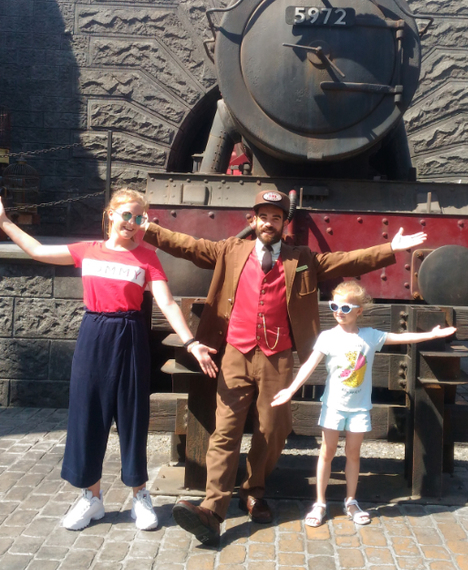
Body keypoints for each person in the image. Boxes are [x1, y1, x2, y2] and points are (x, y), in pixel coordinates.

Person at [142, 189, 428, 546]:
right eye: (263, 216)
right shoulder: (231, 250)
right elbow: (188, 245)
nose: (269, 223)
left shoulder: (301, 258)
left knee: (274, 429)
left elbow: (346, 261)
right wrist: (148, 229)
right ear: (253, 220)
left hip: (276, 357)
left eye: (276, 217)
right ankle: (212, 510)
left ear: (283, 223)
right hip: (234, 353)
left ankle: (253, 492)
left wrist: (390, 249)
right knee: (225, 431)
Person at [0, 188, 217, 532]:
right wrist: (5, 222)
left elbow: (167, 302)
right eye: (126, 215)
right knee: (87, 413)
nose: (132, 223)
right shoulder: (87, 251)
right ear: (111, 214)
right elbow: (38, 251)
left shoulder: (147, 257)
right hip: (94, 333)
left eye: (139, 218)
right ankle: (92, 497)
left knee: (132, 414)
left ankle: (140, 495)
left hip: (130, 334)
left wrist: (191, 342)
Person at [271, 280, 456, 527]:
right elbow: (308, 366)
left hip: (359, 408)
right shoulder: (327, 337)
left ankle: (351, 501)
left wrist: (430, 335)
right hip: (333, 406)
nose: (339, 312)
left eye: (346, 308)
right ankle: (320, 502)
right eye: (334, 306)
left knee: (353, 454)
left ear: (359, 311)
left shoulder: (370, 336)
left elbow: (399, 337)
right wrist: (291, 389)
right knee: (326, 453)